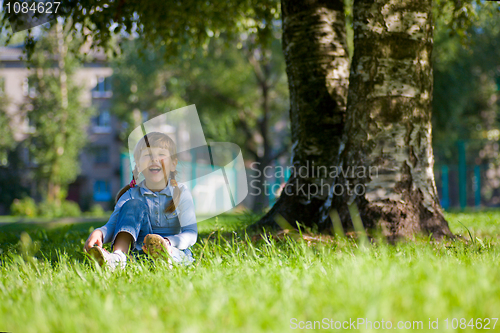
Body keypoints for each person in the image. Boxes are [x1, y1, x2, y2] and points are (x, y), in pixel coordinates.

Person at [84, 132, 197, 270]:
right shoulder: (130, 195)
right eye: (148, 155)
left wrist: (168, 243)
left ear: (173, 164)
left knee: (178, 256)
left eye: (161, 154)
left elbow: (191, 233)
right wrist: (100, 232)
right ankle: (118, 258)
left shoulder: (181, 193)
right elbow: (113, 225)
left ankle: (164, 260)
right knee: (133, 205)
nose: (154, 159)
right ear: (138, 164)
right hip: (139, 254)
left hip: (174, 251)